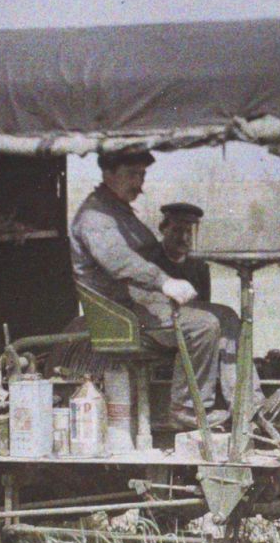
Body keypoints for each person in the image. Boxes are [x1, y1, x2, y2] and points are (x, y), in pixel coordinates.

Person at [68, 145, 228, 427]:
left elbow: (151, 254)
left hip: (143, 306)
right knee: (204, 325)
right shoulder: (96, 217)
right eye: (132, 174)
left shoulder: (120, 212)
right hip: (123, 314)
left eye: (142, 175)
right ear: (107, 173)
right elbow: (119, 261)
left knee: (227, 317)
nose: (139, 184)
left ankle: (249, 406)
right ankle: (186, 409)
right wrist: (165, 282)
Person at [157, 201, 243, 409]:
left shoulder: (198, 266)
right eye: (177, 230)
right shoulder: (150, 261)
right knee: (207, 324)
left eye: (189, 231)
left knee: (228, 317)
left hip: (191, 328)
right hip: (158, 326)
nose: (184, 237)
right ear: (163, 229)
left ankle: (245, 402)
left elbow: (204, 306)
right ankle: (191, 407)